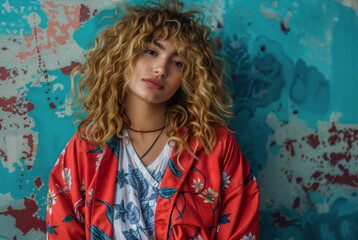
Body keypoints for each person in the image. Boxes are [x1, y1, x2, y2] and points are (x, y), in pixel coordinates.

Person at [45, 0, 259, 239]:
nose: (161, 68)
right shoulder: (84, 148)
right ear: (124, 55)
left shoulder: (216, 146)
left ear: (188, 77)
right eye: (151, 51)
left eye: (177, 63)